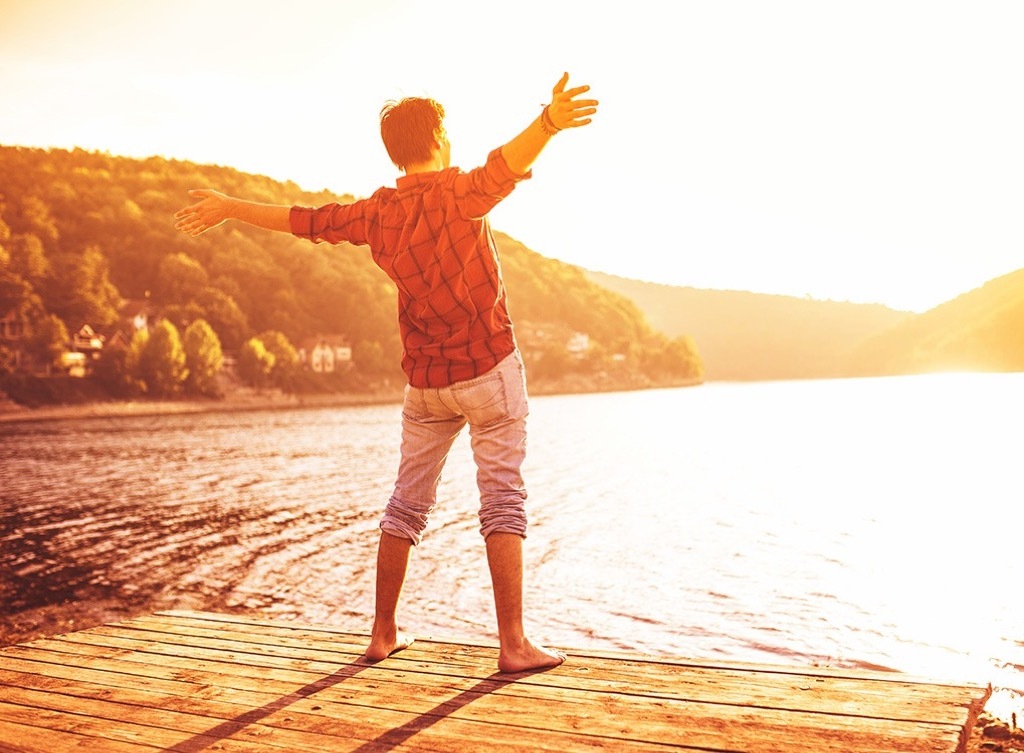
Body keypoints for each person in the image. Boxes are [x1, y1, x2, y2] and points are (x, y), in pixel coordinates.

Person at [174, 73, 598, 673]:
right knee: (502, 497)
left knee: (405, 505)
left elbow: (305, 220)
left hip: (426, 382)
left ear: (394, 150)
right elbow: (507, 162)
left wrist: (230, 208)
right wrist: (550, 121)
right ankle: (513, 645)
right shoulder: (459, 192)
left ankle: (382, 632)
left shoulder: (378, 214)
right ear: (442, 137)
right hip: (489, 371)